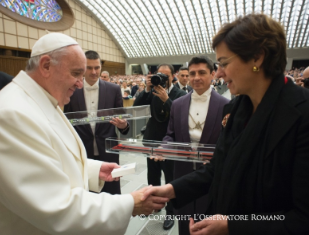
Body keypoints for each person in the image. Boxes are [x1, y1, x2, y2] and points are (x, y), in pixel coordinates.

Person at [143, 13, 309, 235]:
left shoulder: (301, 114)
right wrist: (171, 190)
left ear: (257, 58)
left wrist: (233, 226)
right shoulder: (238, 107)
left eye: (224, 63)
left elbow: (302, 218)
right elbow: (217, 168)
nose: (218, 73)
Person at [0, 33, 168, 235]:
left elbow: (50, 154)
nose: (80, 84)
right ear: (46, 66)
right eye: (76, 74)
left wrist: (92, 170)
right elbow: (55, 206)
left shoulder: (41, 99)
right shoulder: (9, 115)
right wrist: (129, 204)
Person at [163, 55, 229, 235]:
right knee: (184, 225)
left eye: (202, 72)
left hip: (211, 177)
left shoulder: (226, 105)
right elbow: (170, 135)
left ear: (213, 74)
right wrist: (164, 147)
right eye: (192, 73)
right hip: (182, 173)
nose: (196, 77)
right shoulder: (177, 104)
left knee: (208, 226)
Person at [64, 50, 128, 195]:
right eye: (89, 67)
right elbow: (66, 120)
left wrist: (123, 126)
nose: (94, 72)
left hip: (108, 150)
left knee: (112, 191)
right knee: (86, 192)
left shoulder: (114, 89)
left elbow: (122, 119)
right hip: (82, 151)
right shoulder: (72, 89)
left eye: (97, 67)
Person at [133, 64, 186, 230]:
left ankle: (171, 212)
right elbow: (137, 106)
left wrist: (166, 100)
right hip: (152, 142)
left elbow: (182, 117)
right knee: (153, 177)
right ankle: (155, 205)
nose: (162, 78)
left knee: (170, 180)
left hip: (170, 144)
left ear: (172, 76)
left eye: (165, 75)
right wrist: (147, 89)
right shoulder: (153, 91)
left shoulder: (181, 94)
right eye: (159, 75)